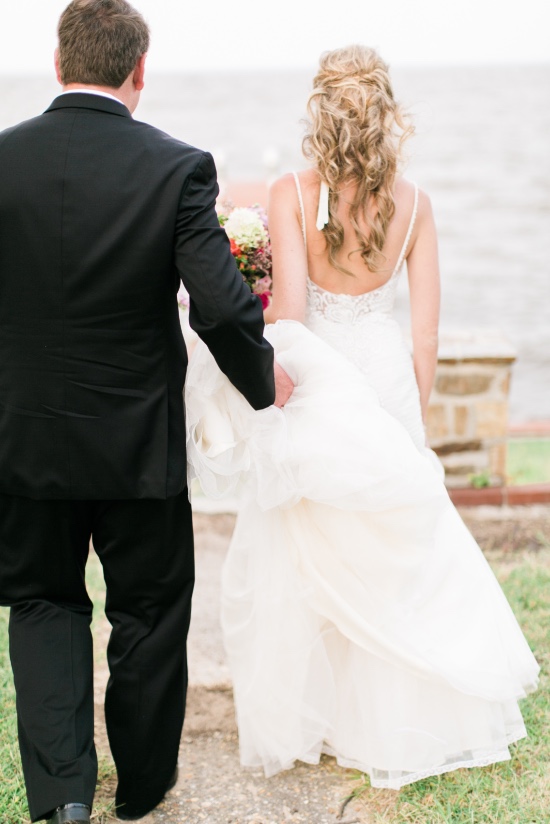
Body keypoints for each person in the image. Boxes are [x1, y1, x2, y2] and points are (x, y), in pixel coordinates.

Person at [185, 45, 539, 789]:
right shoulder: (415, 204)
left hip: (324, 376)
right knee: (393, 549)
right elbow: (427, 333)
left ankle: (319, 717)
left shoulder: (290, 191)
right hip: (384, 375)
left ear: (321, 110)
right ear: (385, 114)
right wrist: (408, 414)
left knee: (309, 548)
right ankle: (387, 717)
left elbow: (290, 317)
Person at [0, 1, 293, 823]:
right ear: (138, 71)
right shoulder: (177, 168)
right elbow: (224, 311)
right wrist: (265, 383)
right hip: (138, 444)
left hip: (24, 440)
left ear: (59, 65)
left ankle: (61, 799)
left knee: (44, 603)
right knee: (151, 611)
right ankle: (140, 790)